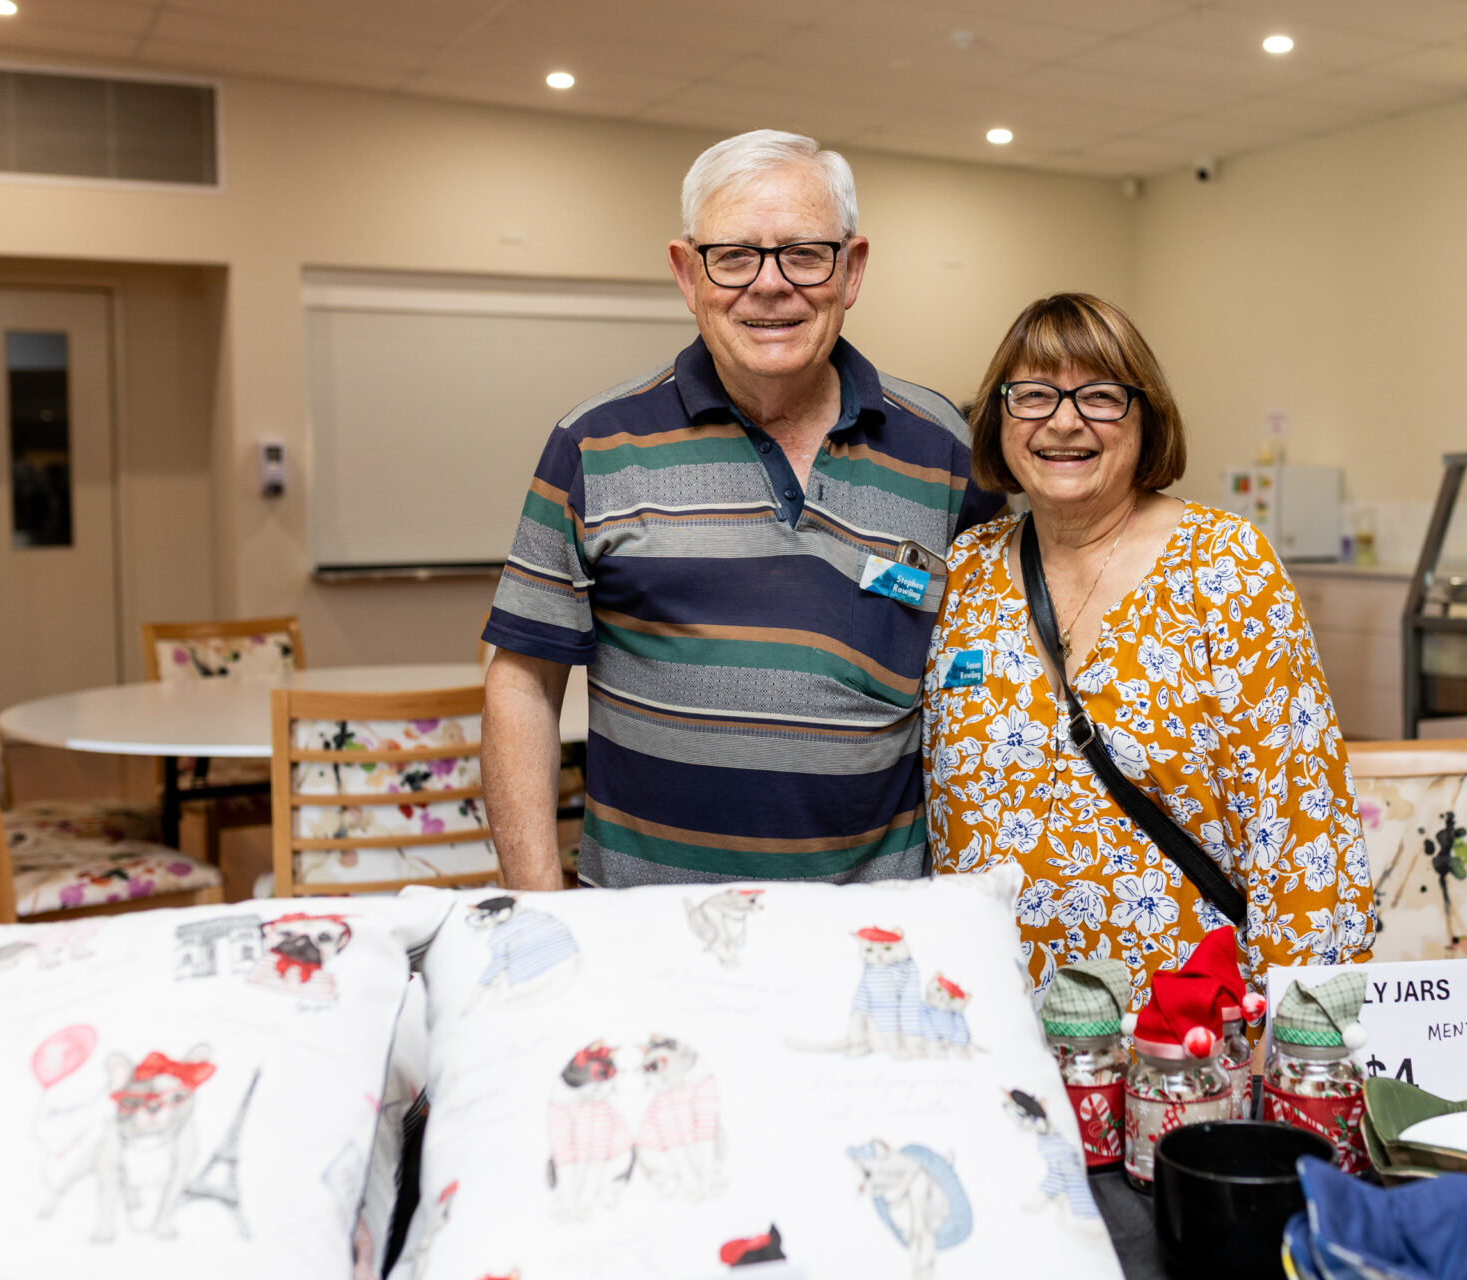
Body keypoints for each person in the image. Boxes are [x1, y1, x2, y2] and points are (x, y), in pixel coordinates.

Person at [483, 130, 1000, 890]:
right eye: (733, 256)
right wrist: (540, 909)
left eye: (804, 254)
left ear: (852, 269)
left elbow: (992, 673)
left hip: (876, 926)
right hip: (650, 930)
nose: (769, 285)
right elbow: (523, 685)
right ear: (686, 272)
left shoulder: (944, 447)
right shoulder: (594, 444)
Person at [923, 293, 1375, 1003]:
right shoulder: (966, 571)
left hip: (1181, 1031)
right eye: (1033, 394)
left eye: (1100, 396)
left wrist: (1295, 1029)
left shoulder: (1222, 565)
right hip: (991, 1019)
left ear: (1146, 417)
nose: (1063, 421)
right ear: (999, 418)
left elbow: (1301, 830)